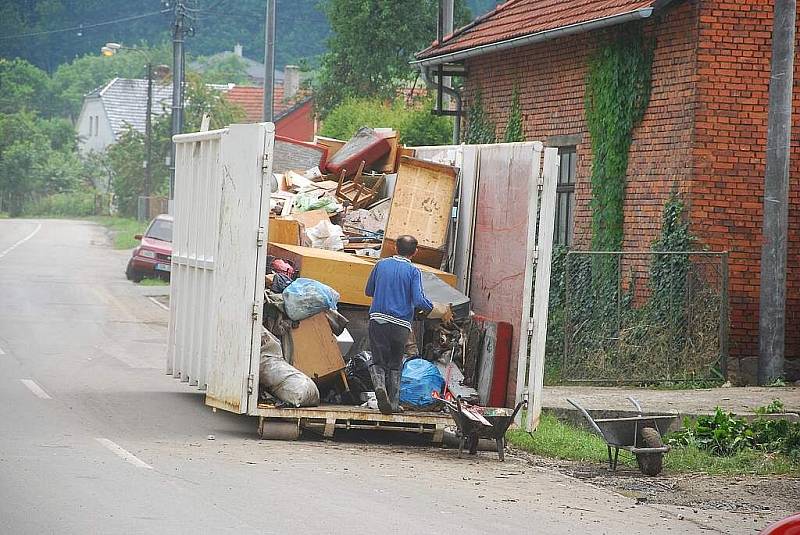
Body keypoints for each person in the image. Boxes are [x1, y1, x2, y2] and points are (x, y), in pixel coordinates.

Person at [365, 235, 433, 414]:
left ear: (395, 248)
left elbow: (368, 291)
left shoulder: (380, 265)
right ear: (415, 252)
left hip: (378, 319)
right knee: (395, 364)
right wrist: (430, 308)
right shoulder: (413, 271)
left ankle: (379, 387)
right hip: (401, 325)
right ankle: (394, 404)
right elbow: (419, 300)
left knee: (378, 359)